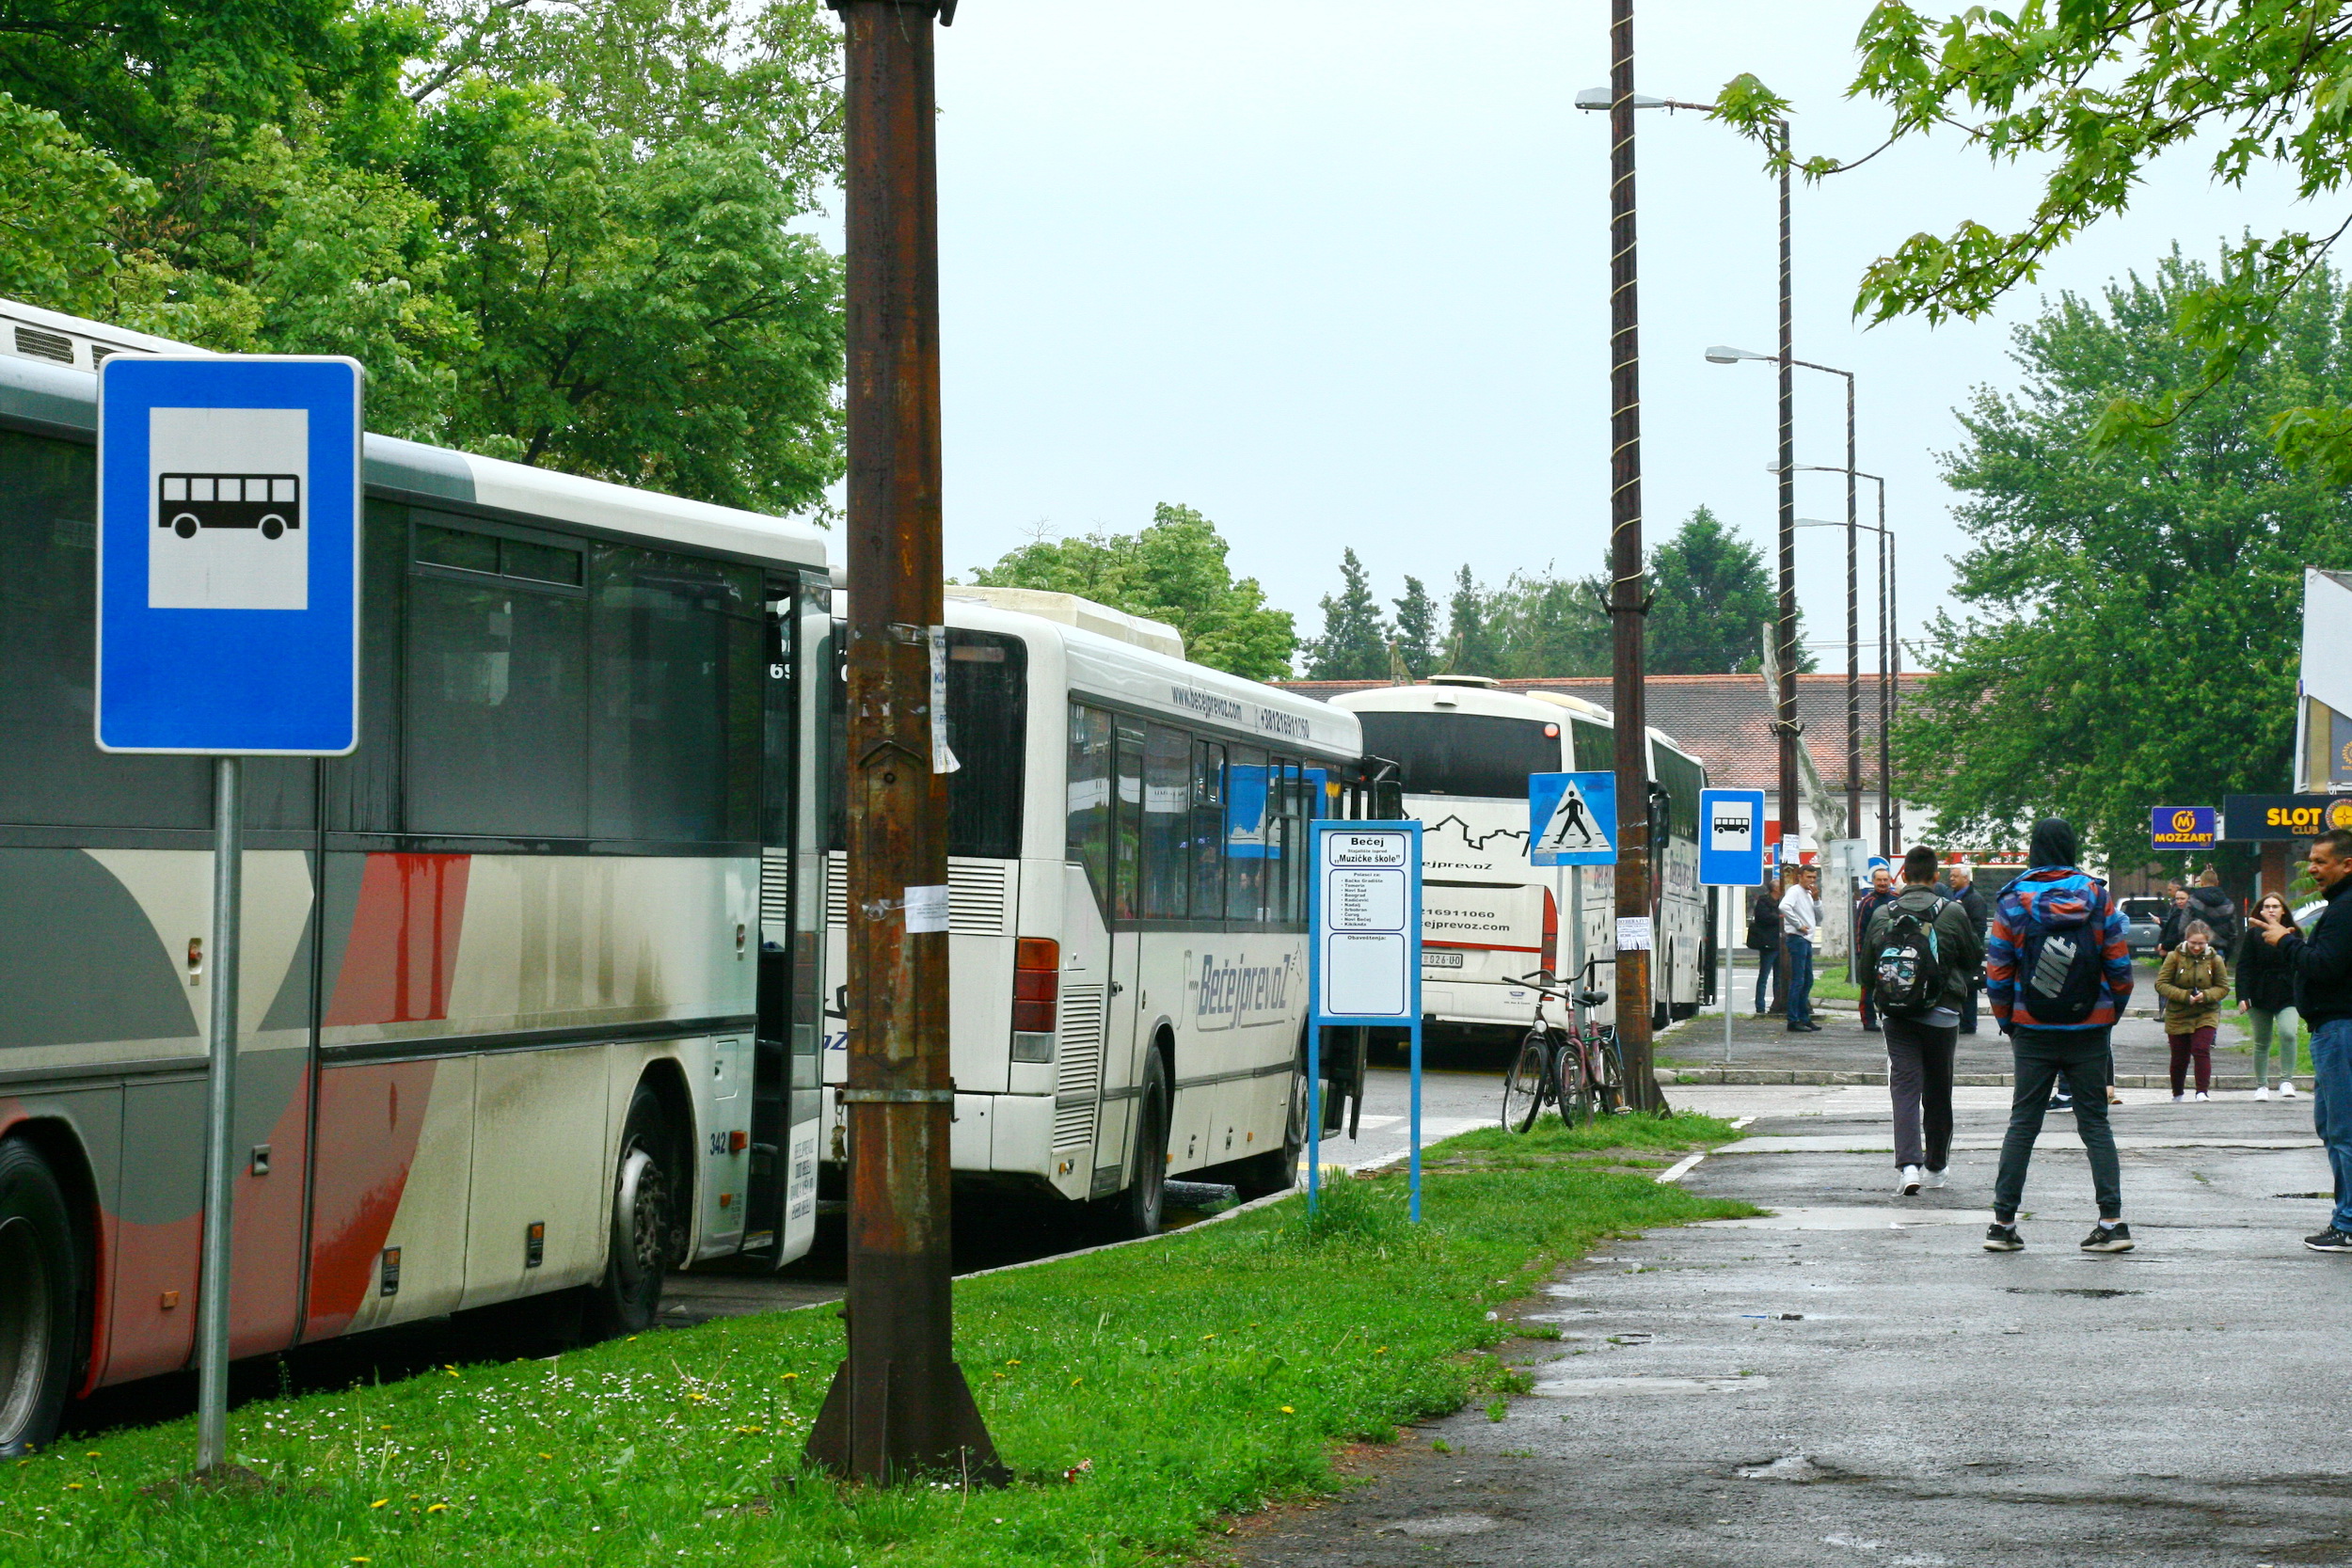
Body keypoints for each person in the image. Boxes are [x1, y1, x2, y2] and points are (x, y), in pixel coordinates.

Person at [1982, 817, 2136, 1254]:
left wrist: (2009, 1020)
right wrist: (2108, 1014)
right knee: (2095, 1124)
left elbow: (1998, 969)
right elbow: (2120, 968)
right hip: (2090, 1029)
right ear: (2072, 847)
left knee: (2023, 1124)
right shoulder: (2096, 896)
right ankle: (2111, 1222)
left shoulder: (2014, 900)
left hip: (2032, 1029)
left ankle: (2003, 1223)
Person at [2249, 829, 2352, 1254]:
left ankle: (2347, 1223)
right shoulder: (2339, 906)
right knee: (2331, 1126)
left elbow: (2325, 966)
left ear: (2347, 864)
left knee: (2344, 1129)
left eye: (2321, 861)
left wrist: (2286, 941)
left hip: (2341, 1029)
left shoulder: (2346, 910)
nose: (2312, 869)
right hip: (2332, 1029)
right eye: (2310, 861)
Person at [1865, 845, 1983, 1196]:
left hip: (1897, 1014)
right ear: (1934, 877)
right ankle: (1936, 1164)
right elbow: (1973, 955)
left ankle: (1908, 1166)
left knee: (1903, 1088)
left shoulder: (1883, 913)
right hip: (1943, 1013)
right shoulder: (1952, 911)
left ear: (1904, 877)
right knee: (1938, 1087)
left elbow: (1867, 966)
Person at [2236, 893, 2302, 1100]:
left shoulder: (2294, 933)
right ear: (2261, 911)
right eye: (2267, 906)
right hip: (2260, 993)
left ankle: (2286, 1081)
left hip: (2287, 993)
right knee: (2262, 1040)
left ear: (2283, 911)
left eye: (2276, 906)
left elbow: (2303, 964)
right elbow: (2244, 967)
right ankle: (2261, 1085)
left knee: (2288, 1033)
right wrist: (2242, 996)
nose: (2271, 910)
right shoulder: (2253, 935)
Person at [2155, 919, 2229, 1101]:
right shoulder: (2174, 957)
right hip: (2178, 1013)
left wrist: (2206, 995)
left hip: (2206, 1011)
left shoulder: (2215, 960)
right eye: (2193, 943)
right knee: (2179, 1057)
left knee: (2201, 1048)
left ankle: (2202, 1092)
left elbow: (2223, 987)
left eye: (2201, 944)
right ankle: (2177, 1094)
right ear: (2186, 940)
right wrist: (2184, 995)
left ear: (2208, 942)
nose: (2197, 947)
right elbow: (2161, 984)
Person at [1943, 862, 1991, 1035]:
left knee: (1969, 985)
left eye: (1955, 876)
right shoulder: (1951, 897)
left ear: (1966, 878)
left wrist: (1972, 948)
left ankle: (1968, 1023)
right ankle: (1960, 1020)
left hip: (1967, 951)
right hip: (1954, 950)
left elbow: (1979, 927)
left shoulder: (1974, 899)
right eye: (1951, 876)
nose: (1952, 879)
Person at [1854, 864, 1898, 1033]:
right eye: (1879, 880)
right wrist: (1860, 953)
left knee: (1892, 986)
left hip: (1892, 951)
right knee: (1868, 986)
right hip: (1870, 952)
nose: (1882, 883)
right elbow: (1860, 929)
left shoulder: (1897, 898)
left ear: (1890, 881)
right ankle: (1868, 1021)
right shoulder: (1867, 903)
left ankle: (1889, 1019)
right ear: (1873, 882)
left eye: (1885, 880)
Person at [1781, 863, 1822, 1033]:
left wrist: (1817, 900)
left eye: (1814, 877)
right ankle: (1793, 1019)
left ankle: (1804, 1017)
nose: (1811, 881)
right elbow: (1784, 906)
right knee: (1798, 980)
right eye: (1808, 877)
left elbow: (1820, 918)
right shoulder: (1795, 891)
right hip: (1797, 938)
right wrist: (1798, 925)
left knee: (1807, 980)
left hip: (1806, 939)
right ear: (1800, 876)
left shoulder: (1809, 894)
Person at [1748, 873, 1785, 1017]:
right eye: (1780, 887)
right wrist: (1779, 917)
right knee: (1764, 975)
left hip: (1780, 943)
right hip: (1768, 944)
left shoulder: (1782, 902)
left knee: (1779, 977)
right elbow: (1763, 918)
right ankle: (1760, 1007)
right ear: (1775, 889)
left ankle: (1777, 1004)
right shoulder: (1764, 901)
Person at [2190, 867, 2240, 951]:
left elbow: (2183, 926)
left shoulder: (2192, 901)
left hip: (2197, 947)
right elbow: (2233, 930)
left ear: (2201, 883)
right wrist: (2229, 948)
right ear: (2217, 883)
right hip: (2221, 946)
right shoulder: (2229, 904)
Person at [2157, 885, 2193, 959]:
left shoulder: (2191, 915)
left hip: (2180, 953)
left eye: (2182, 899)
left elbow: (2181, 934)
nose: (2179, 901)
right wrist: (2161, 944)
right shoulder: (2175, 912)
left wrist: (2164, 946)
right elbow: (2166, 930)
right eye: (2177, 899)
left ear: (2189, 899)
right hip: (2169, 953)